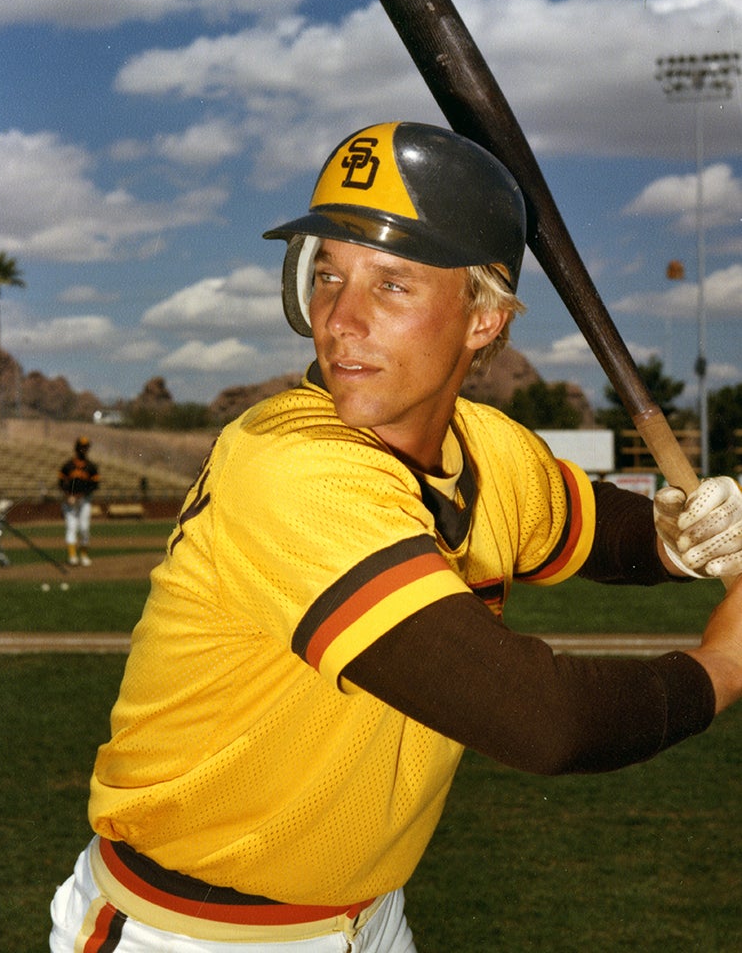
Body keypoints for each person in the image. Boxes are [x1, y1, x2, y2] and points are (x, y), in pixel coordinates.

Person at [50, 122, 742, 952]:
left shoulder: (487, 447)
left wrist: (679, 537)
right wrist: (727, 665)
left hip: (371, 916)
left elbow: (601, 530)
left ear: (482, 318)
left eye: (392, 285)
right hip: (191, 931)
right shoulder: (291, 468)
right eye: (328, 274)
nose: (340, 319)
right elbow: (543, 720)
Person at [58, 435, 100, 566]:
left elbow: (95, 486)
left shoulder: (91, 467)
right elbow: (60, 483)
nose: (84, 450)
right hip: (69, 503)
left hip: (84, 502)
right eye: (81, 447)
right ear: (77, 448)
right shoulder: (68, 465)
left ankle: (83, 555)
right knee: (71, 528)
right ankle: (72, 556)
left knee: (84, 528)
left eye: (86, 447)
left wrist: (78, 496)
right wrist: (67, 496)